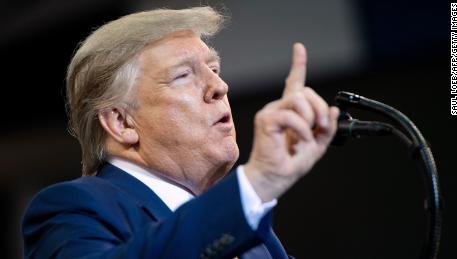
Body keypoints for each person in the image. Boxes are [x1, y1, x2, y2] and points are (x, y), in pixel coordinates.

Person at [22, 6, 339, 259]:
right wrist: (258, 183)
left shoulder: (252, 230)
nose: (219, 87)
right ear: (121, 122)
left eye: (214, 70)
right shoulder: (74, 209)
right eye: (184, 75)